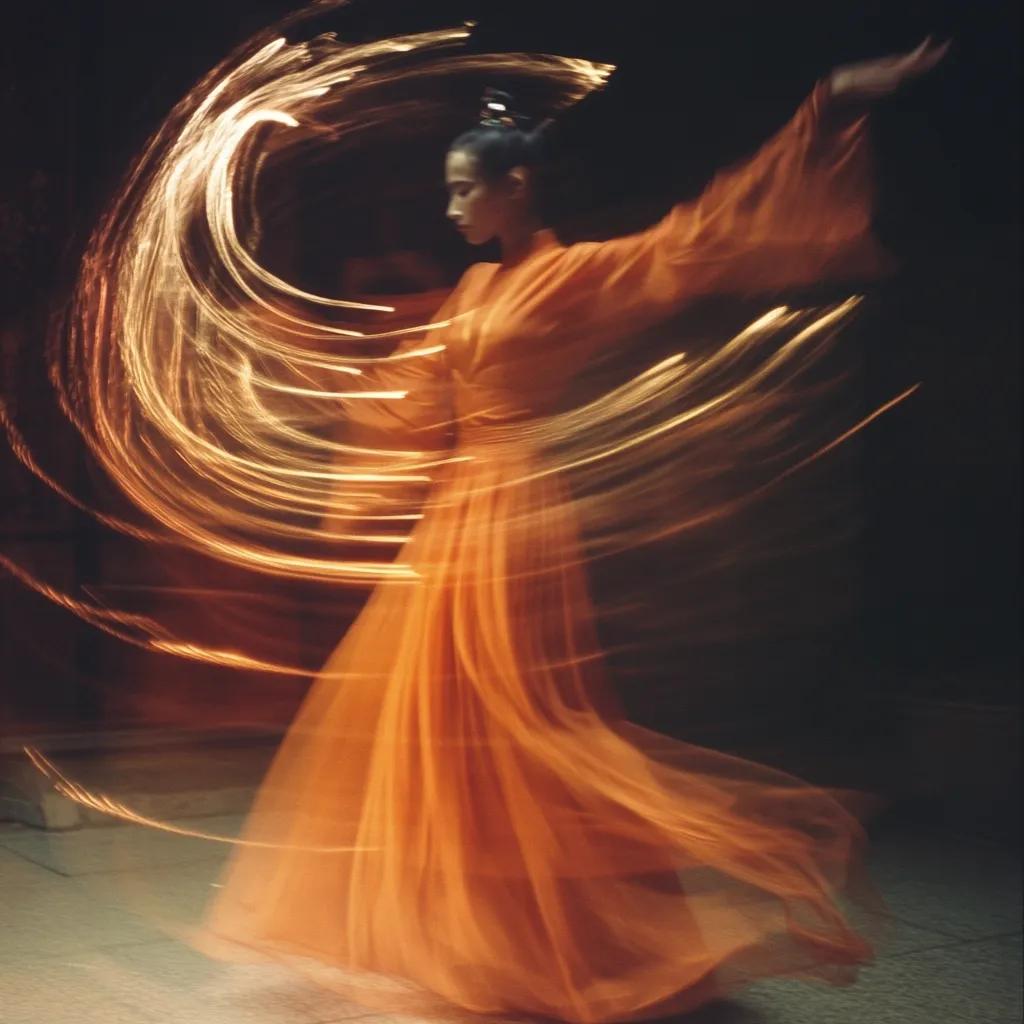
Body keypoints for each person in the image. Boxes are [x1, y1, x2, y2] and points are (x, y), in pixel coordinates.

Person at [201, 40, 948, 1022]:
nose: (450, 209)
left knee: (524, 727)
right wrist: (301, 409)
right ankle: (468, 928)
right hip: (454, 521)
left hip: (515, 520)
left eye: (464, 190)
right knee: (442, 730)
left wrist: (825, 108)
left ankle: (564, 931)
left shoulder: (573, 277)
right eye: (449, 190)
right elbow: (415, 401)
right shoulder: (472, 292)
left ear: (515, 189)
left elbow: (692, 241)